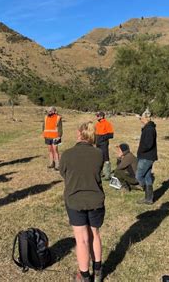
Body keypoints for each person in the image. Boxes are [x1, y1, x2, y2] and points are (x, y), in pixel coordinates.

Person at [60, 121, 105, 282]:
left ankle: (85, 276)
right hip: (95, 199)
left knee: (81, 239)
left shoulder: (66, 154)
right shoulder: (99, 153)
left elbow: (64, 174)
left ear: (79, 133)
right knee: (95, 234)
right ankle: (98, 271)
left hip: (74, 200)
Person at [135, 109, 158, 205]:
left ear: (146, 118)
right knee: (148, 177)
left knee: (139, 176)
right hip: (148, 156)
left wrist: (141, 150)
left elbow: (148, 144)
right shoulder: (148, 128)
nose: (140, 119)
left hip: (146, 157)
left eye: (141, 118)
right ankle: (148, 199)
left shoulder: (149, 129)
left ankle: (147, 193)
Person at [95, 111, 114, 180]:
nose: (96, 117)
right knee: (98, 158)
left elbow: (111, 135)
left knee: (106, 158)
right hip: (98, 144)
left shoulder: (107, 123)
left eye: (97, 116)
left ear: (101, 116)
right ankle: (100, 173)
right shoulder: (97, 124)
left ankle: (107, 175)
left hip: (104, 144)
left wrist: (102, 137)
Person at [42, 106, 62, 170]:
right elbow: (43, 126)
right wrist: (44, 134)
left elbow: (60, 128)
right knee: (50, 150)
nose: (48, 112)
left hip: (55, 137)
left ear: (54, 111)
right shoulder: (45, 117)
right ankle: (51, 163)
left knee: (55, 150)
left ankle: (57, 165)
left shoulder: (58, 117)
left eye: (50, 111)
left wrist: (59, 136)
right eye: (48, 111)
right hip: (47, 136)